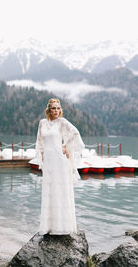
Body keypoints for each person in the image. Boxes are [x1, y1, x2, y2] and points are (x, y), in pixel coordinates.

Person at [35, 98, 85, 235]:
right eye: (53, 108)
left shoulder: (62, 122)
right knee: (50, 191)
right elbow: (40, 142)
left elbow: (75, 133)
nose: (56, 111)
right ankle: (49, 227)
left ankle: (63, 227)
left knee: (60, 191)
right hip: (49, 162)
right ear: (49, 110)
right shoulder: (42, 123)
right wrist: (43, 155)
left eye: (58, 108)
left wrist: (65, 146)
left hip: (60, 161)